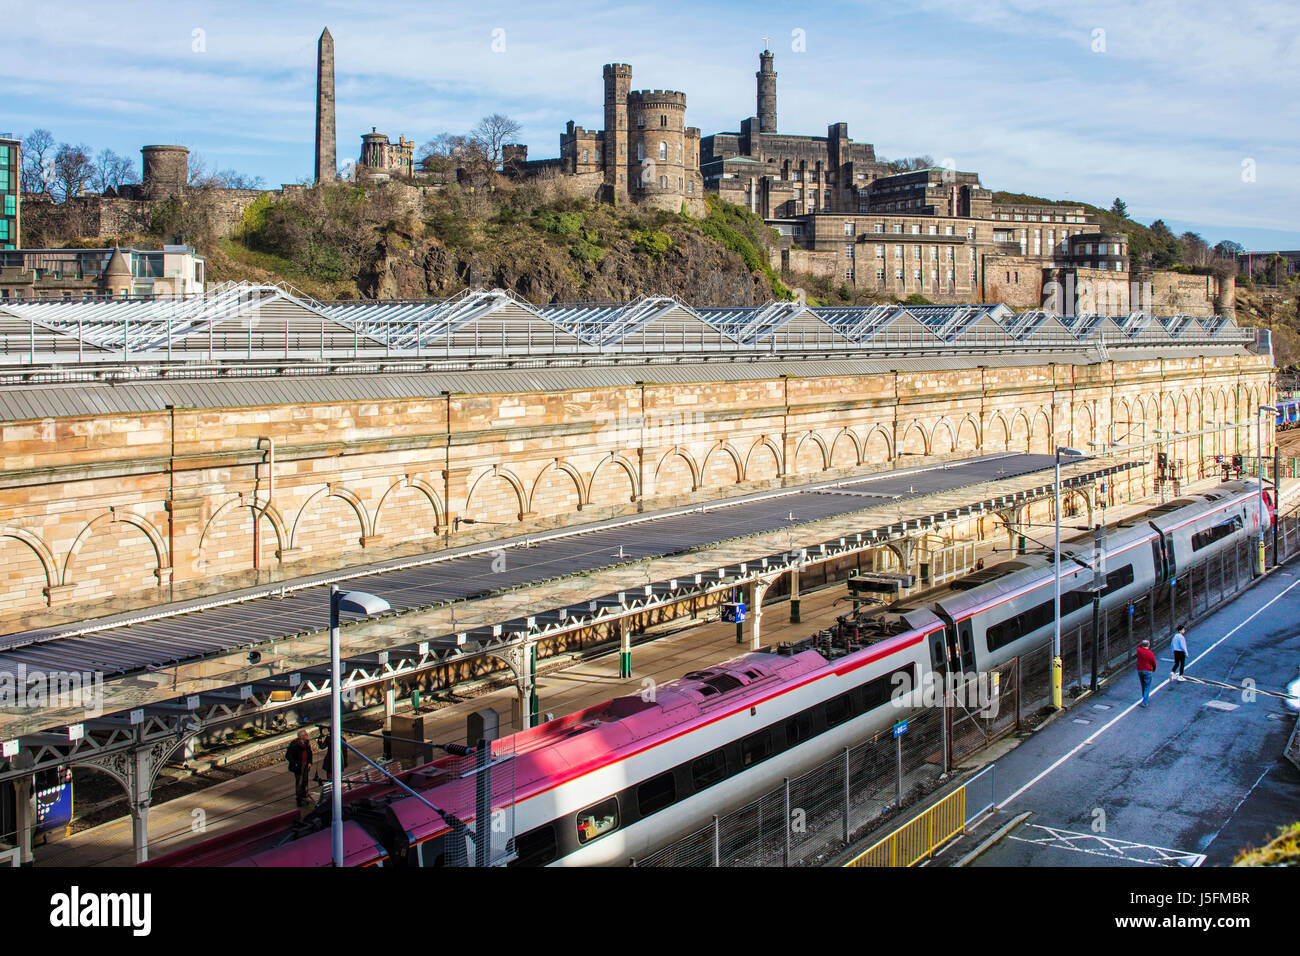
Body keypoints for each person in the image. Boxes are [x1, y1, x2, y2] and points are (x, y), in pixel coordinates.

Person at [285, 728, 313, 806]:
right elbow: (288, 755)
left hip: (305, 765)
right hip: (298, 766)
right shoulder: (294, 744)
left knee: (305, 781)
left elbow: (309, 753)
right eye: (305, 735)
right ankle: (299, 798)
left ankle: (304, 795)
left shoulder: (307, 743)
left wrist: (310, 762)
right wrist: (295, 763)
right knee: (299, 782)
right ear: (301, 736)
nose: (307, 736)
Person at [1135, 639, 1157, 707]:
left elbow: (1138, 646)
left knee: (1143, 685)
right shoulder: (1150, 653)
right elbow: (1154, 662)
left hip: (1140, 670)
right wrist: (1154, 668)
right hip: (1147, 671)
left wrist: (1141, 644)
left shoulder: (1139, 651)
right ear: (1148, 645)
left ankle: (1144, 698)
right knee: (1147, 686)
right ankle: (1145, 702)